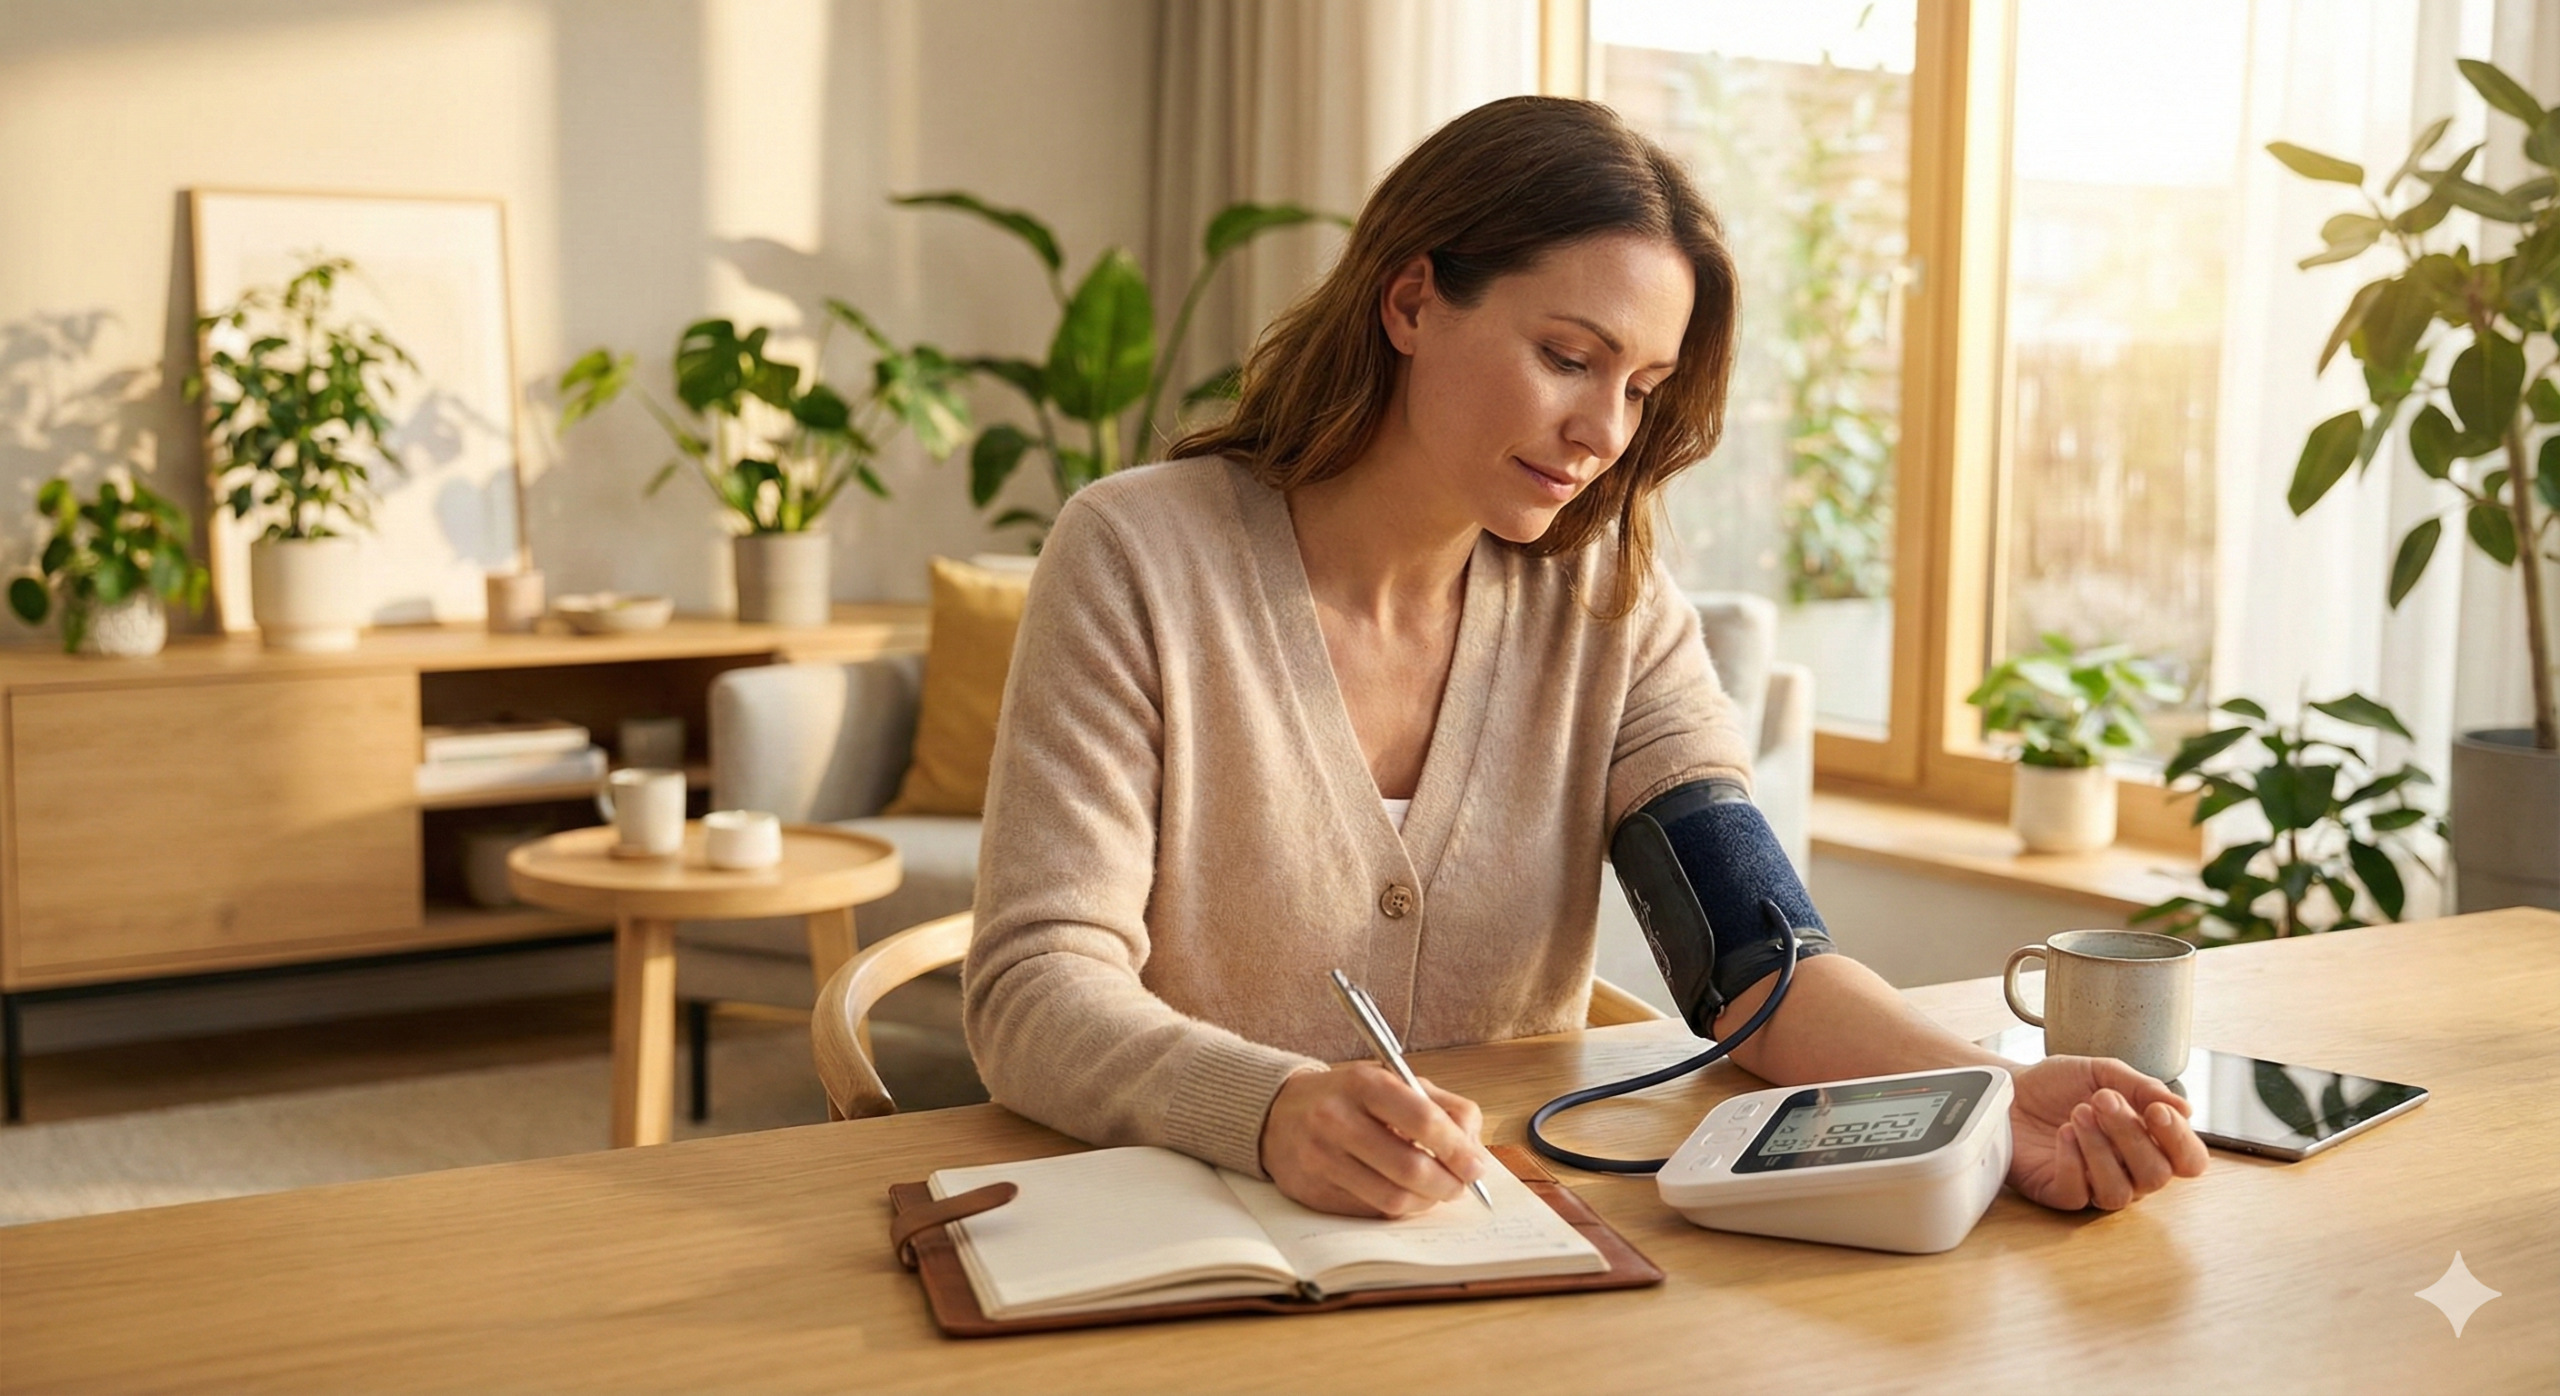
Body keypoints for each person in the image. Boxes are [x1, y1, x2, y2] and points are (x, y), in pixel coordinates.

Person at [963, 95, 2207, 1220]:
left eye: (1642, 386)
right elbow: (1033, 986)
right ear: (1410, 303)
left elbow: (1757, 964)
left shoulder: (1609, 604)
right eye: (1567, 357)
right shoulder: (1135, 555)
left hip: (1498, 1240)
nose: (1602, 432)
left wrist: (1990, 1090)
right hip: (1185, 1236)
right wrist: (1270, 1108)